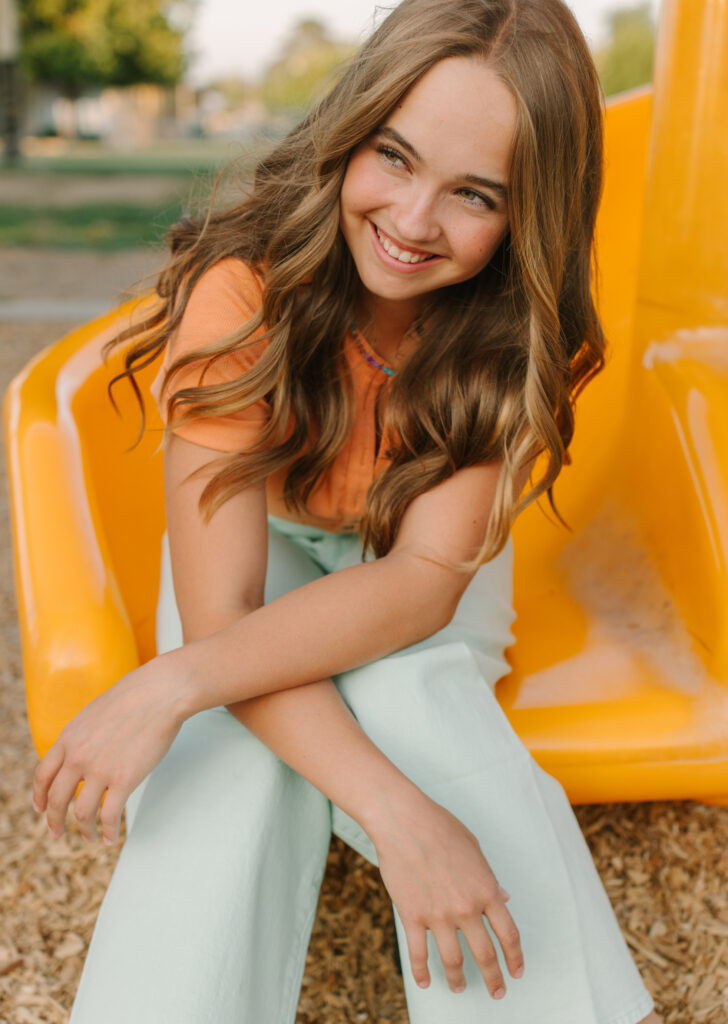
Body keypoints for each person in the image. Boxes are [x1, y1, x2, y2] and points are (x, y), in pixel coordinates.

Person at [32, 0, 662, 1021]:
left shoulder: (511, 336)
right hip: (261, 544)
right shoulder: (245, 292)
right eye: (394, 157)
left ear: (525, 214)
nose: (414, 221)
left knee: (418, 700)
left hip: (422, 561)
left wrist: (173, 679)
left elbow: (417, 585)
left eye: (473, 194)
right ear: (348, 134)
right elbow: (225, 611)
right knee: (223, 753)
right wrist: (387, 807)